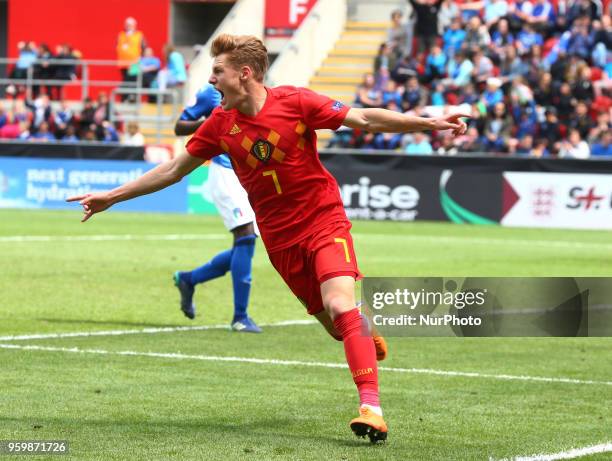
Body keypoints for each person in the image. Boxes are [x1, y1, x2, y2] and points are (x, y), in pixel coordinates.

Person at [67, 34, 468, 443]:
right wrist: (110, 197)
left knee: (340, 303)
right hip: (280, 240)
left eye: (217, 72)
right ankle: (360, 330)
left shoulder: (295, 102)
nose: (211, 80)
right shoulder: (219, 126)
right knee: (337, 325)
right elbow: (172, 170)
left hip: (323, 221)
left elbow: (363, 118)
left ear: (244, 74)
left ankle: (371, 408)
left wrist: (428, 123)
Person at [173, 83, 261, 333]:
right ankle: (240, 317)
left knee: (244, 244)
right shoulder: (209, 93)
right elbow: (180, 127)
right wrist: (212, 124)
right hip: (223, 171)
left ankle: (190, 279)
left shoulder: (253, 92)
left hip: (246, 173)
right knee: (245, 236)